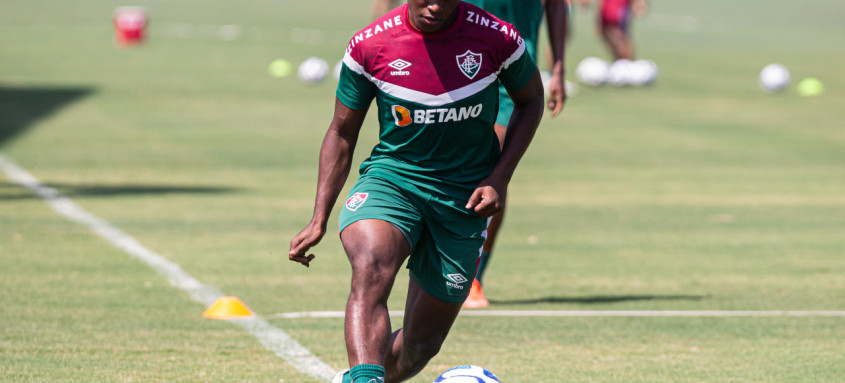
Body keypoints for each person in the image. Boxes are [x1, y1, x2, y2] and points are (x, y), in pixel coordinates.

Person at [289, 1, 545, 382]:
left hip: (463, 200)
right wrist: (319, 217)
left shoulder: (498, 38)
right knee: (371, 263)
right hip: (392, 182)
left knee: (418, 348)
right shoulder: (369, 45)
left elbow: (530, 100)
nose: (435, 6)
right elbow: (342, 132)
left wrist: (499, 178)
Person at [370, 0, 569, 309]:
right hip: (456, 60)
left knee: (494, 170)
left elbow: (556, 4)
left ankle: (473, 275)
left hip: (511, 62)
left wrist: (558, 66)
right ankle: (434, 266)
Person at [578, 0, 647, 60]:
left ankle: (626, 66)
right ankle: (621, 66)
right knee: (613, 40)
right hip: (606, 9)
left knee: (621, 40)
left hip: (618, 8)